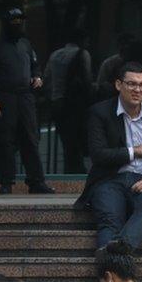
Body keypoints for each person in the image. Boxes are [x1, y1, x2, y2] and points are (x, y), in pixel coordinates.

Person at [74, 62, 142, 251]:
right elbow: (98, 155)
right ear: (118, 85)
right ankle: (116, 267)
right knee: (110, 218)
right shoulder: (100, 112)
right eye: (131, 84)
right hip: (109, 180)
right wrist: (135, 151)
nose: (137, 89)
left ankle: (112, 265)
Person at [0, 7, 54, 195]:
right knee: (6, 141)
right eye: (14, 22)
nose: (17, 25)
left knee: (31, 139)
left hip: (26, 97)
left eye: (20, 21)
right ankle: (6, 183)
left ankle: (36, 182)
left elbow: (36, 66)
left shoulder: (26, 45)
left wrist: (38, 77)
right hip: (6, 98)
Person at [43, 28, 93, 173]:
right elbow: (87, 80)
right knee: (78, 138)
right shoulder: (82, 54)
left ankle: (69, 168)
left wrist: (50, 97)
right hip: (76, 104)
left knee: (67, 141)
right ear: (82, 40)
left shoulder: (55, 55)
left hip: (58, 102)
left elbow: (47, 79)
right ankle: (76, 170)